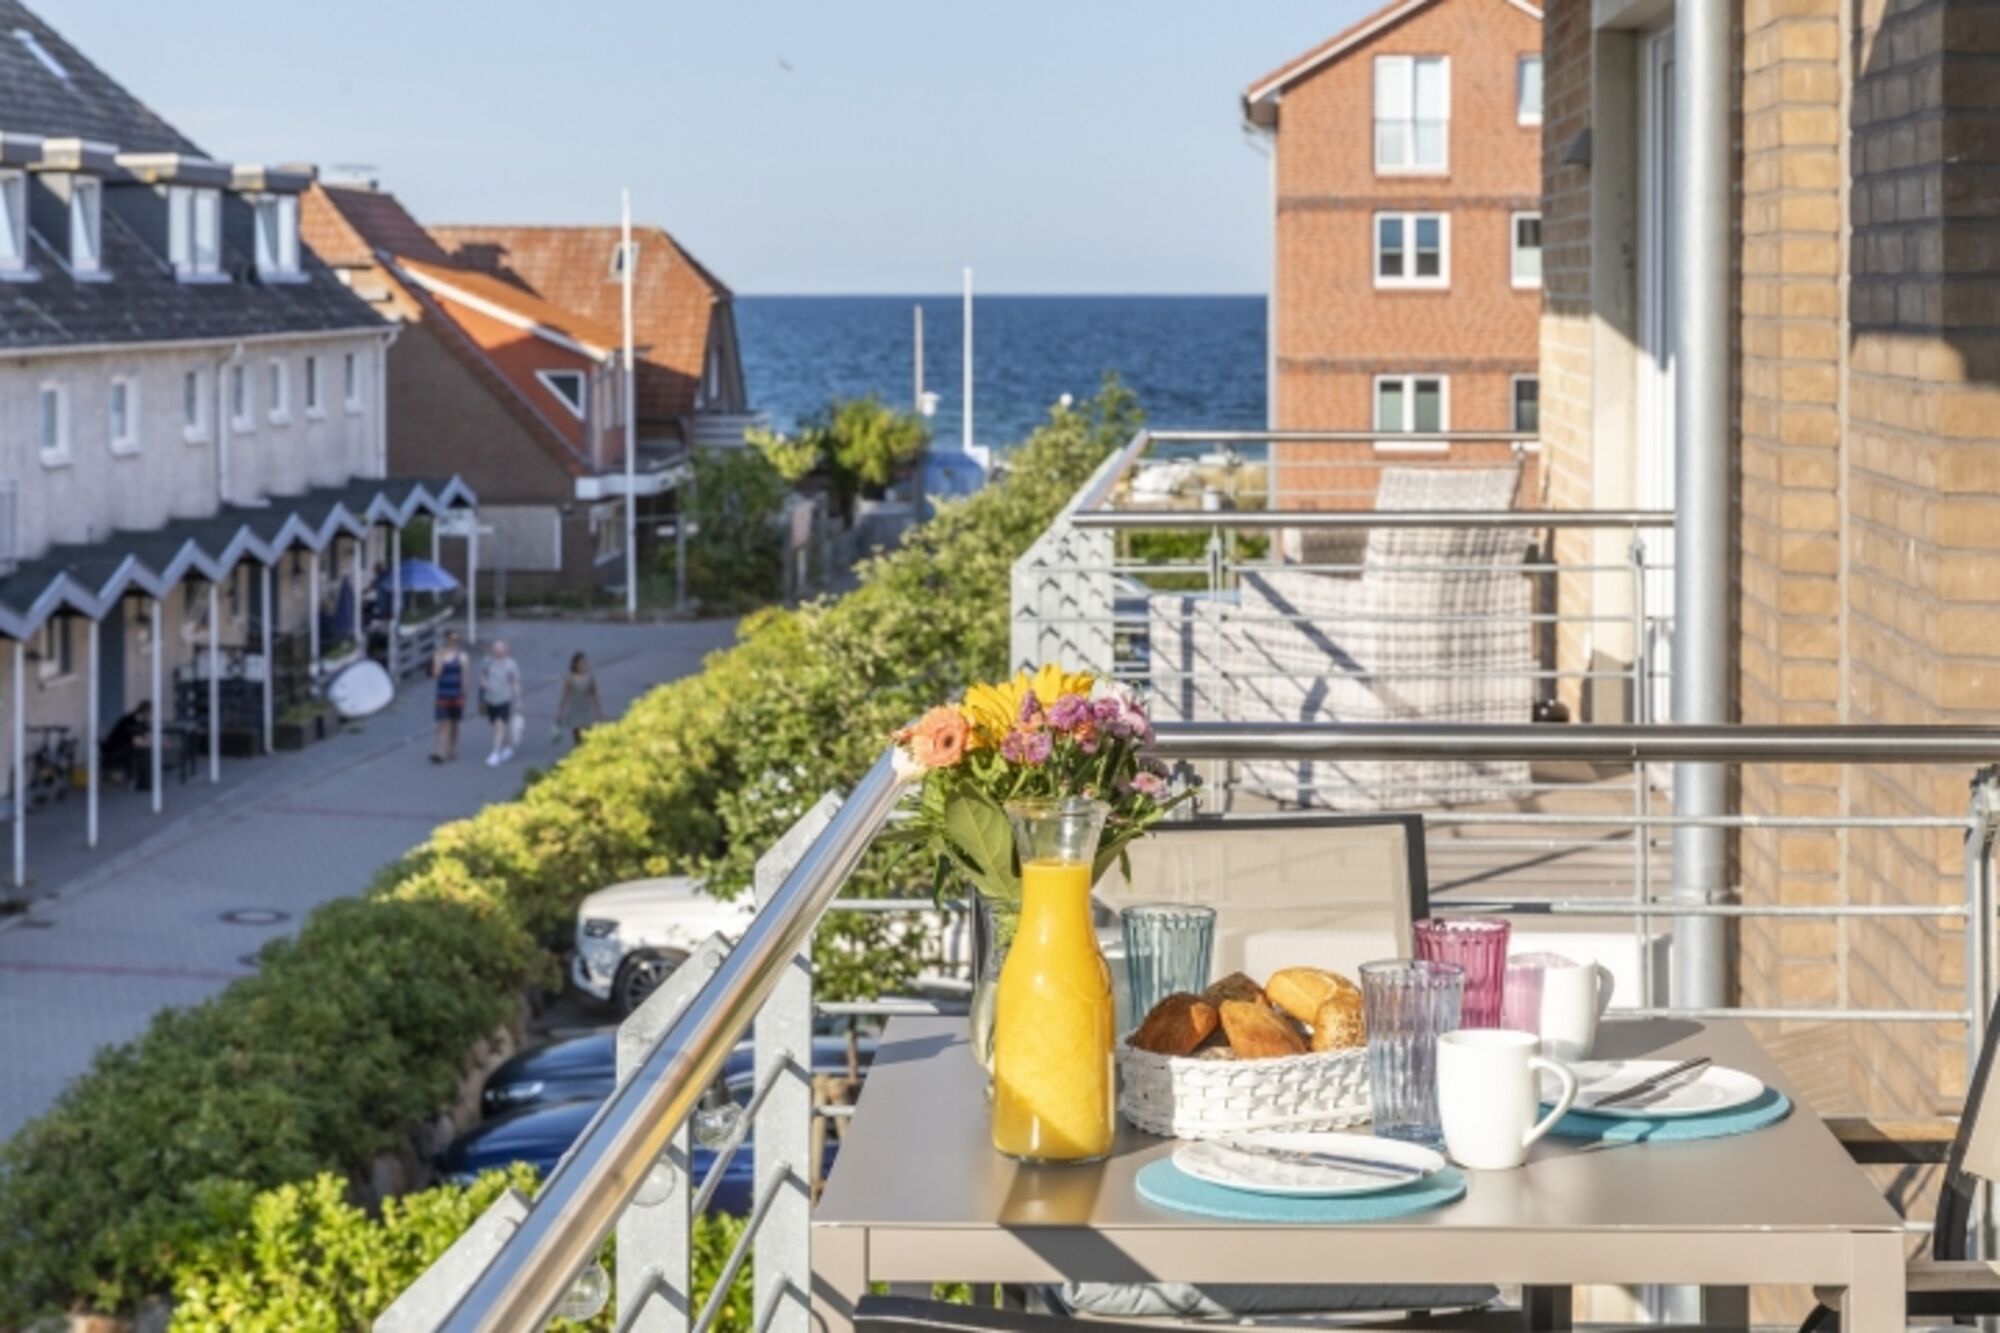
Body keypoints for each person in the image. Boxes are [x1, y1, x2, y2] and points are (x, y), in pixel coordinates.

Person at [480, 639, 524, 766]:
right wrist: (484, 682)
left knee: (500, 725)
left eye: (500, 649)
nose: (497, 651)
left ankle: (495, 753)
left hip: (504, 699)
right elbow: (482, 674)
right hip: (490, 699)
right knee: (496, 726)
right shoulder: (487, 662)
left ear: (506, 650)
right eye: (495, 649)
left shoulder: (511, 664)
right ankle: (507, 747)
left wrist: (518, 700)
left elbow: (515, 683)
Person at [430, 629, 469, 763]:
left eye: (457, 640)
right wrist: (441, 660)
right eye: (452, 639)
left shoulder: (462, 656)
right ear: (446, 640)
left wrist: (464, 694)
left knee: (454, 723)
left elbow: (464, 677)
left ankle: (453, 747)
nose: (454, 642)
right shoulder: (439, 655)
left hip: (456, 694)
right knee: (442, 723)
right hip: (443, 693)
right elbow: (436, 674)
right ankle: (440, 752)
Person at [554, 651, 604, 745]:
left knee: (589, 738)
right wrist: (559, 714)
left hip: (587, 712)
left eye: (584, 663)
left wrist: (599, 712)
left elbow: (594, 695)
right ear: (575, 665)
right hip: (575, 713)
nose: (583, 665)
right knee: (578, 740)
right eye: (581, 663)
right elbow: (564, 697)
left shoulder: (590, 678)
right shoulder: (570, 679)